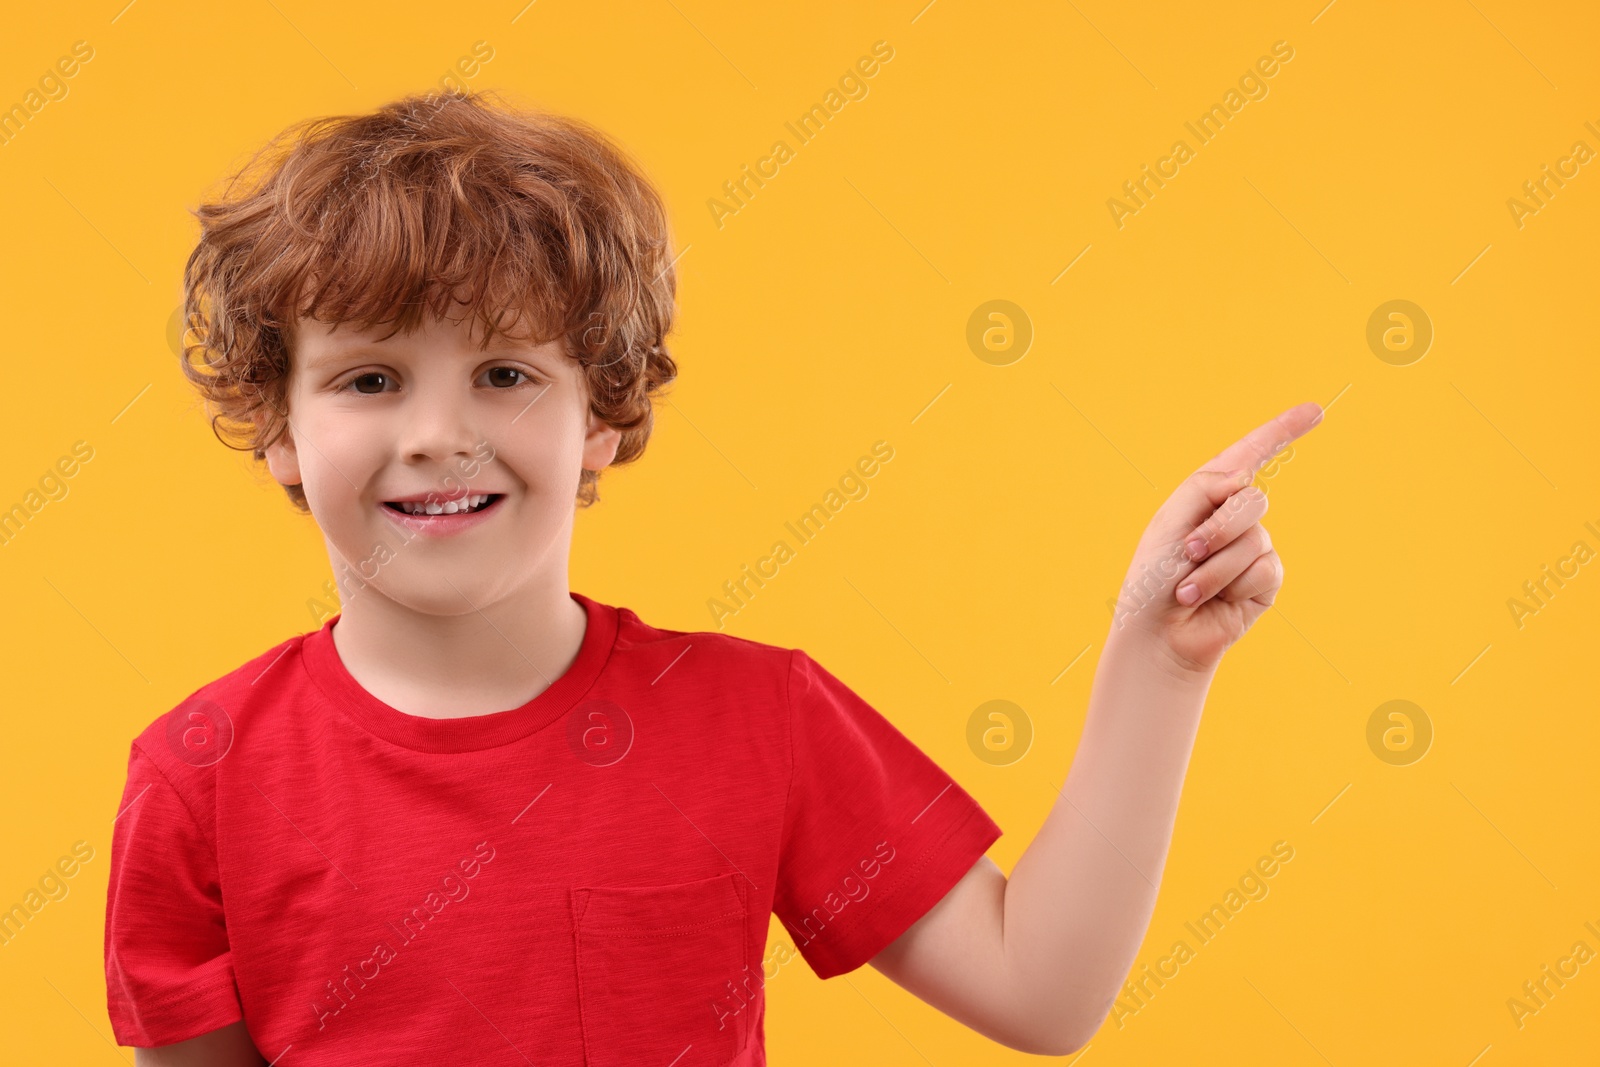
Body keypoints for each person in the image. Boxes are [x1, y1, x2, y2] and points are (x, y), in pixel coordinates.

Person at [104, 87, 1323, 1065]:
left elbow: (1040, 989)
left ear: (603, 415)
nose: (436, 432)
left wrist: (1157, 658)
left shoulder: (761, 720)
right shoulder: (196, 775)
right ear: (278, 425)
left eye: (506, 374)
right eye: (370, 378)